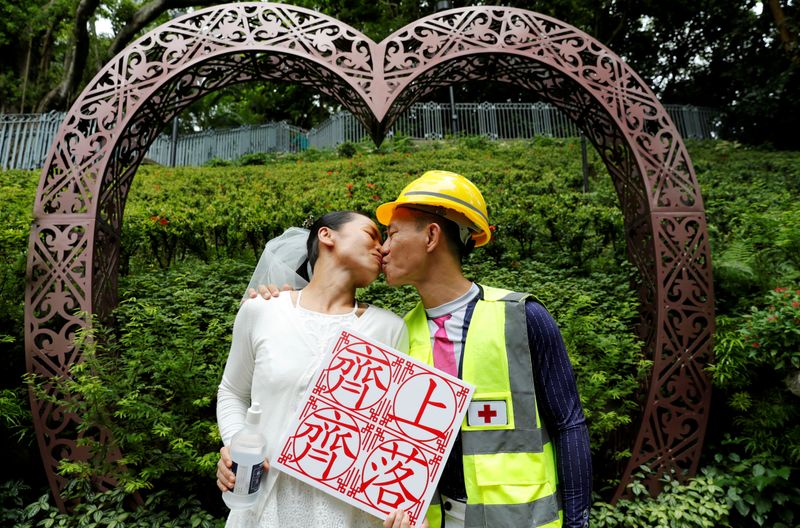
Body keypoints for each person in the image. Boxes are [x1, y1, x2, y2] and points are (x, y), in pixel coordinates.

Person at [252, 171, 592, 528]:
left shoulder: (524, 318)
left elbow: (569, 423)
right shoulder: (393, 338)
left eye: (393, 233)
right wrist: (278, 302)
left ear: (431, 236)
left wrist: (577, 523)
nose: (382, 248)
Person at [216, 211, 418, 527]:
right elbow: (231, 391)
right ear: (327, 236)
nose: (382, 248)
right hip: (263, 501)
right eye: (371, 234)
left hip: (345, 512)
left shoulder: (390, 329)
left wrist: (400, 505)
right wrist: (237, 444)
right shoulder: (262, 310)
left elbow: (397, 433)